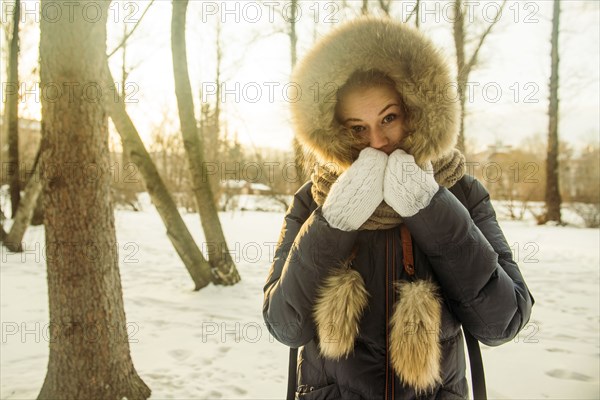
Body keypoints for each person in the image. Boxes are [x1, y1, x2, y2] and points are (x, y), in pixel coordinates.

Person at [262, 17, 535, 400]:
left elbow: (502, 322)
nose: (377, 141)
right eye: (358, 128)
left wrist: (429, 206)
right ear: (335, 130)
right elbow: (284, 325)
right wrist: (335, 221)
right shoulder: (316, 199)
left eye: (389, 118)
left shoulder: (461, 191)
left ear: (416, 109)